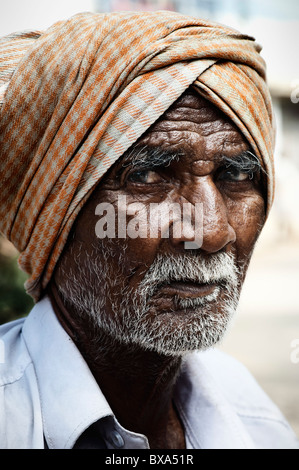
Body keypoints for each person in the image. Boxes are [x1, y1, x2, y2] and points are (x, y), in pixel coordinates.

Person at [0, 11, 298, 450]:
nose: (212, 232)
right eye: (147, 176)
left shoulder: (252, 418)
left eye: (235, 176)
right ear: (54, 211)